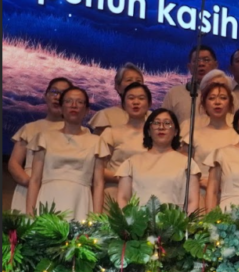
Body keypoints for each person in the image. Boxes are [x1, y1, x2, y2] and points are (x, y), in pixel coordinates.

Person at [26, 87, 109, 220]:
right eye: (68, 101)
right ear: (61, 107)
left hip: (80, 200)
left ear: (87, 110)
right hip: (48, 197)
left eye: (79, 102)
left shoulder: (96, 142)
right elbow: (35, 180)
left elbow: (99, 183)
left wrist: (96, 219)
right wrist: (30, 215)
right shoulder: (44, 137)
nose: (74, 105)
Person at [115, 109, 201, 213]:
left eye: (167, 123)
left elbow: (192, 201)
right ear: (148, 131)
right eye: (156, 123)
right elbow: (123, 198)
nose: (161, 127)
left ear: (175, 132)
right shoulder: (131, 163)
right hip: (139, 221)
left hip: (174, 221)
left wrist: (186, 222)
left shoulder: (187, 163)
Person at [8, 77, 70, 213]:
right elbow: (14, 163)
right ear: (45, 95)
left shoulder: (79, 132)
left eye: (63, 93)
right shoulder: (30, 128)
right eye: (54, 92)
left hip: (61, 189)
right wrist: (31, 183)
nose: (57, 97)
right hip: (28, 188)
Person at [181, 83, 239, 189]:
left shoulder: (238, 137)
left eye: (223, 98)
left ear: (230, 104)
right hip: (198, 192)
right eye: (212, 98)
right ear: (204, 104)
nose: (217, 102)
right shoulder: (193, 136)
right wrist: (199, 182)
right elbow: (183, 171)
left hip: (230, 192)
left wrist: (216, 185)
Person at [99, 82, 150, 200]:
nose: (136, 102)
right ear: (123, 104)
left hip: (145, 194)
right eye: (131, 98)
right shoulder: (111, 133)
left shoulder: (155, 136)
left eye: (141, 98)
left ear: (149, 104)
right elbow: (99, 169)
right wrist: (125, 179)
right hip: (114, 193)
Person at [161, 46, 219, 125]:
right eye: (196, 61)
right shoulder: (174, 93)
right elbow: (164, 123)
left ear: (216, 65)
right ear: (189, 67)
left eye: (206, 60)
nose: (201, 64)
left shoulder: (228, 94)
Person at [89, 63, 145, 135]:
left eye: (138, 81)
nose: (134, 83)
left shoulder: (153, 117)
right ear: (118, 86)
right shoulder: (106, 116)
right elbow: (97, 142)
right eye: (129, 80)